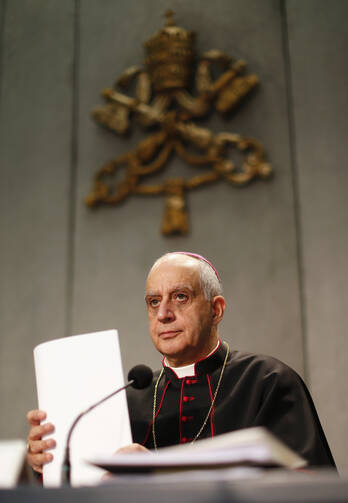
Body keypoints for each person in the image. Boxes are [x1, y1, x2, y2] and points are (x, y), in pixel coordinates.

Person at [26, 252, 336, 472]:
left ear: (216, 309)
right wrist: (47, 465)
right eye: (154, 302)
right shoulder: (126, 401)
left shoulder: (267, 381)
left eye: (181, 297)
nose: (164, 314)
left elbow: (309, 486)